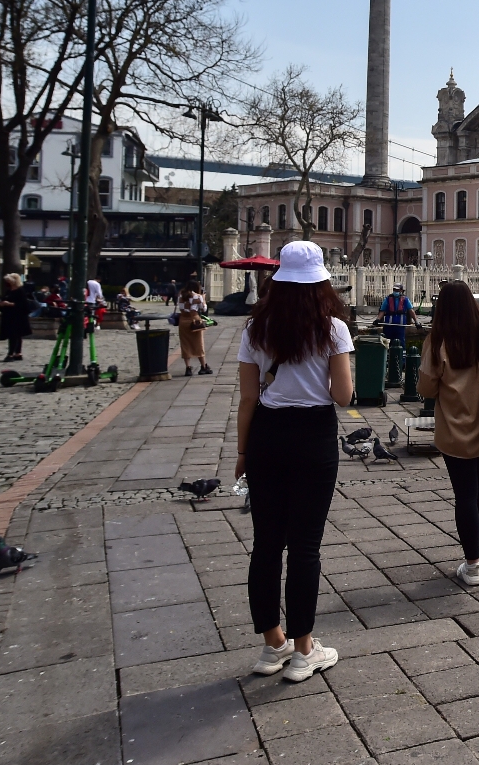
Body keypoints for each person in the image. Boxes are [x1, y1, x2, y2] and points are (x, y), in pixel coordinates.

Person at [235, 240, 353, 683]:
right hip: (312, 437)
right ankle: (305, 651)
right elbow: (343, 397)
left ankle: (273, 645)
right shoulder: (333, 329)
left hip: (266, 435)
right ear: (321, 282)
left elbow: (248, 398)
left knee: (266, 543)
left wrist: (243, 452)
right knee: (305, 546)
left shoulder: (254, 330)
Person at [416, 279, 479, 587]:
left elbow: (427, 388)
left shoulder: (438, 340)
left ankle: (472, 566)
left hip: (455, 431)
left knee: (465, 494)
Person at [0, 273, 35, 361]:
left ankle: (11, 353)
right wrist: (1, 304)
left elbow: (24, 305)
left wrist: (10, 304)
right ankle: (17, 353)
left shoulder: (20, 291)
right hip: (9, 316)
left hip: (18, 317)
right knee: (14, 335)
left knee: (15, 335)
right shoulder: (9, 291)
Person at [177, 280, 212, 376]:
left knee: (185, 344)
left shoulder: (181, 295)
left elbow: (180, 306)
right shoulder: (197, 296)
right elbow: (204, 309)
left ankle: (188, 368)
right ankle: (203, 366)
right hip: (194, 321)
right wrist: (203, 298)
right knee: (198, 344)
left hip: (183, 321)